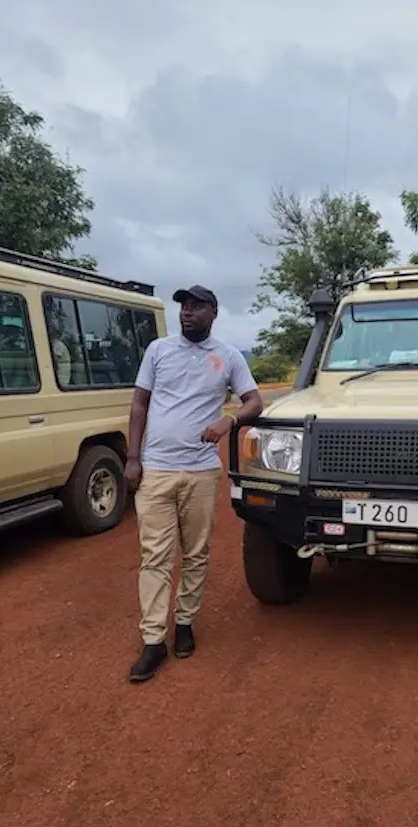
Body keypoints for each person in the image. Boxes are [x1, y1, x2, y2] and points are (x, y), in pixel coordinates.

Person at [125, 284, 263, 683]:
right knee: (155, 556)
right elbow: (139, 404)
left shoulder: (228, 357)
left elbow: (254, 401)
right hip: (156, 470)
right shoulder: (158, 350)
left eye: (197, 306)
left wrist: (228, 421)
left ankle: (184, 622)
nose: (188, 311)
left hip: (202, 471)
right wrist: (133, 458)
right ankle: (153, 640)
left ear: (214, 313)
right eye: (184, 305)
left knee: (197, 552)